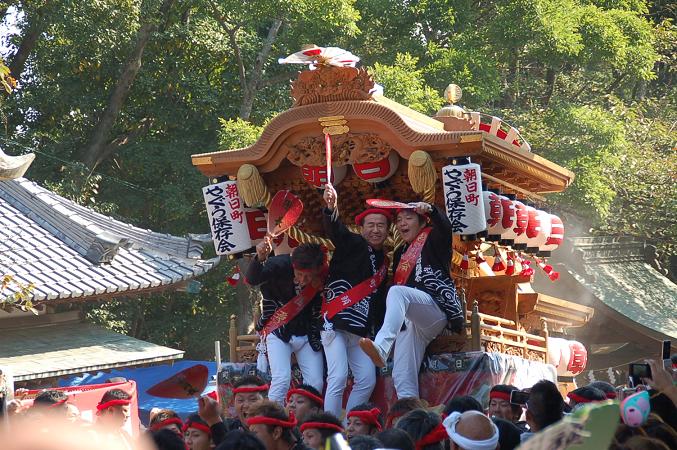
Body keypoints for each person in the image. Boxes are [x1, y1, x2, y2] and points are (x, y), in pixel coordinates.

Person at [360, 202, 463, 398]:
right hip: (411, 320)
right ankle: (410, 420)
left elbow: (446, 226)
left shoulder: (434, 237)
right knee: (402, 376)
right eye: (398, 220)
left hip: (434, 310)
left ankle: (382, 345)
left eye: (408, 218)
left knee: (397, 292)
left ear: (422, 222)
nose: (402, 224)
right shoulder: (400, 252)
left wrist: (432, 210)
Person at [320, 184, 390, 417]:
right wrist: (331, 207)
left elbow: (379, 302)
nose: (376, 230)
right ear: (360, 229)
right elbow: (336, 230)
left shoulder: (384, 263)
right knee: (338, 376)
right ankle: (329, 434)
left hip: (359, 332)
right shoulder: (353, 244)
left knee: (367, 380)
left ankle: (351, 428)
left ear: (388, 230)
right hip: (336, 323)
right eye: (370, 225)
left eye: (381, 225)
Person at [246, 242, 325, 403]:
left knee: (316, 383)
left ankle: (306, 423)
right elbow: (252, 279)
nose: (303, 280)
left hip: (307, 333)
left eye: (308, 276)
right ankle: (271, 423)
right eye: (299, 274)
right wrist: (259, 257)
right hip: (278, 331)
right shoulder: (280, 264)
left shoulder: (324, 273)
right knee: (281, 380)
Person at [198, 375, 269, 446]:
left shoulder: (273, 430)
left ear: (266, 401)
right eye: (240, 400)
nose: (246, 405)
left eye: (253, 399)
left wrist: (214, 420)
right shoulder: (229, 428)